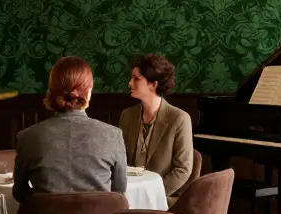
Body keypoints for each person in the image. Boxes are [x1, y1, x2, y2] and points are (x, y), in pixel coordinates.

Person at [12, 56, 127, 203]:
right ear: (89, 91)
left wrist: (40, 202)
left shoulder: (28, 137)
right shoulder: (113, 135)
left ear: (51, 91)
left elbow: (19, 193)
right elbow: (119, 195)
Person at [118, 53, 194, 197]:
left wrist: (153, 194)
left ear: (153, 84)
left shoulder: (179, 119)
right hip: (130, 194)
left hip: (163, 197)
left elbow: (182, 169)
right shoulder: (127, 115)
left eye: (136, 79)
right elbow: (121, 160)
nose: (129, 83)